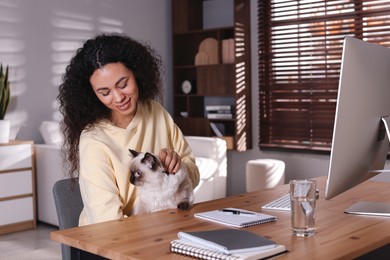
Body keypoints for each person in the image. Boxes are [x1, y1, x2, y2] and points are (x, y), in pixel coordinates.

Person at [57, 33, 200, 226]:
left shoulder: (156, 112)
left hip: (164, 228)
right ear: (92, 95)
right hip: (113, 239)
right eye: (105, 92)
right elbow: (106, 221)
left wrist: (178, 168)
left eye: (123, 84)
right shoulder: (94, 139)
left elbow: (193, 175)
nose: (118, 97)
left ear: (137, 73)